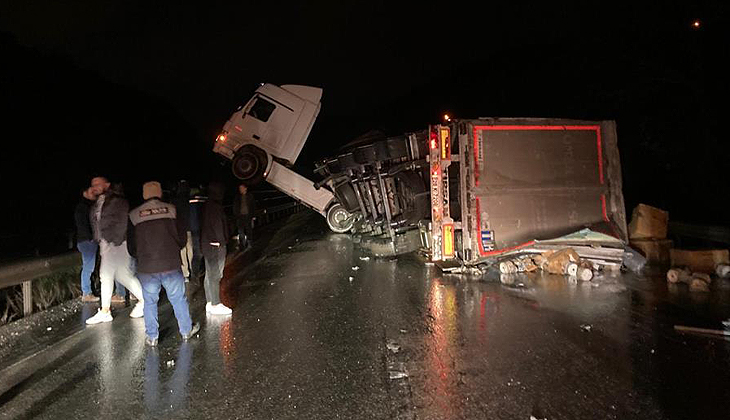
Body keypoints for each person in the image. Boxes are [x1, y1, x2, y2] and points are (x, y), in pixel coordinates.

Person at [129, 181, 199, 346]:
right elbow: (182, 239)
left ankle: (152, 337)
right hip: (171, 264)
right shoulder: (172, 210)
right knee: (178, 299)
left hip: (147, 267)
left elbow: (131, 247)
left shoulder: (133, 215)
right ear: (159, 193)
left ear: (144, 195)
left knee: (150, 302)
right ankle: (186, 330)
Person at [85, 176, 145, 324]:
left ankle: (105, 311)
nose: (95, 187)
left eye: (98, 184)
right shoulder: (99, 202)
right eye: (93, 184)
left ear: (107, 184)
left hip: (115, 243)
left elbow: (122, 222)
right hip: (105, 243)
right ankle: (145, 300)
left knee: (105, 275)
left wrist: (115, 241)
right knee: (123, 276)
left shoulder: (117, 200)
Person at [201, 181, 232, 315]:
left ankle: (210, 302)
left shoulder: (206, 205)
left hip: (207, 244)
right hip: (216, 245)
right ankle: (216, 303)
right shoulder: (215, 207)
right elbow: (218, 225)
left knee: (209, 274)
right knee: (216, 275)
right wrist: (223, 241)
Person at [75, 187, 100, 302]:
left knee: (88, 266)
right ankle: (86, 293)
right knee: (88, 267)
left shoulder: (88, 206)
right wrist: (90, 238)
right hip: (87, 241)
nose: (94, 193)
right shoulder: (83, 207)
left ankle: (88, 291)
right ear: (85, 192)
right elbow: (83, 224)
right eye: (91, 191)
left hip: (86, 240)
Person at [172, 180, 193, 281]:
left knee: (183, 251)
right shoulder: (189, 199)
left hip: (179, 229)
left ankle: (186, 273)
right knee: (191, 250)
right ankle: (193, 269)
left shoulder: (175, 201)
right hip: (190, 227)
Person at [232, 184, 256, 250]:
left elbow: (253, 206)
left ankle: (249, 243)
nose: (240, 189)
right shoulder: (237, 197)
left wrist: (253, 215)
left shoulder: (250, 196)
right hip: (240, 217)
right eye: (240, 188)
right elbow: (235, 206)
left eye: (242, 188)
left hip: (248, 216)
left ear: (245, 188)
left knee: (249, 230)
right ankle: (242, 244)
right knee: (241, 231)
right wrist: (236, 215)